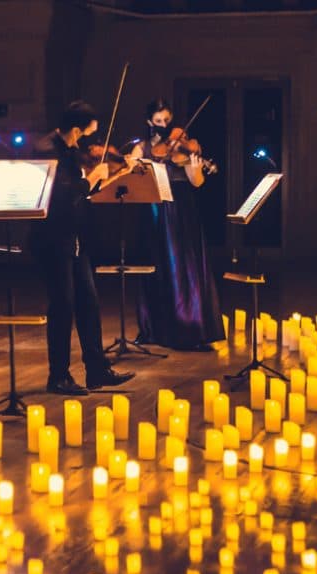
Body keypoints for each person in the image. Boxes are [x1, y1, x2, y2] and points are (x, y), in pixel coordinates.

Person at [31, 100, 135, 396]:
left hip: (75, 237)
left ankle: (97, 369)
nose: (88, 142)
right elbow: (62, 195)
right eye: (86, 134)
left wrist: (112, 176)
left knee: (88, 302)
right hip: (52, 239)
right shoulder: (47, 151)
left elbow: (83, 192)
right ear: (75, 129)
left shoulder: (69, 150)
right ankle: (59, 376)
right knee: (62, 306)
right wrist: (92, 177)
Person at [130, 98, 224, 351]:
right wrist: (134, 165)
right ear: (150, 122)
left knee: (184, 269)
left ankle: (190, 328)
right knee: (155, 267)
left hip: (181, 211)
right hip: (154, 210)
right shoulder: (142, 148)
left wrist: (195, 167)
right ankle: (152, 328)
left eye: (168, 121)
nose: (164, 126)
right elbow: (130, 175)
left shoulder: (187, 146)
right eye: (159, 121)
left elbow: (197, 183)